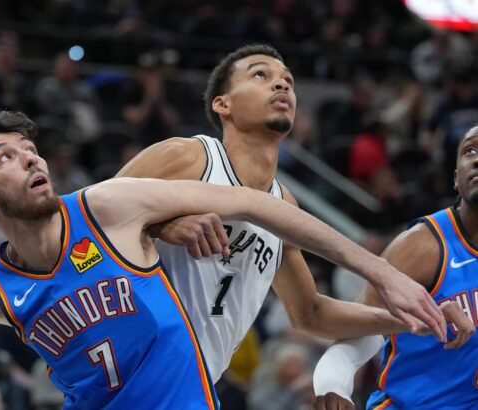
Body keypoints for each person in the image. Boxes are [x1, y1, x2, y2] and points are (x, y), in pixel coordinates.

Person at [0, 110, 446, 409]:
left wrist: (380, 272)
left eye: (29, 148)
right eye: (4, 158)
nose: (30, 158)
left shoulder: (106, 207)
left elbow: (255, 204)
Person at [116, 43, 445, 384]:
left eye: (288, 80)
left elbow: (310, 313)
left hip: (195, 384)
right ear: (222, 104)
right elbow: (87, 221)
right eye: (261, 74)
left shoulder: (284, 205)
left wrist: (413, 320)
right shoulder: (190, 156)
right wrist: (162, 225)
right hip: (133, 370)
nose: (282, 84)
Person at [312, 126, 478, 409]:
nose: (476, 158)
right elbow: (363, 327)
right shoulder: (424, 245)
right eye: (470, 150)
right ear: (455, 179)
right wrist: (334, 383)